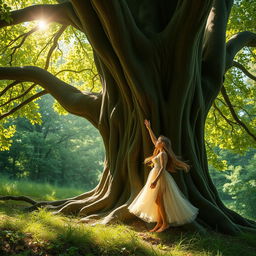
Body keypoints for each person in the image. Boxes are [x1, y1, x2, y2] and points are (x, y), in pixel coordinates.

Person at [128, 120, 199, 232]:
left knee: (159, 200)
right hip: (155, 176)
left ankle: (165, 223)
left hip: (161, 178)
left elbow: (162, 168)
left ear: (163, 144)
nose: (156, 142)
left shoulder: (163, 154)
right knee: (157, 201)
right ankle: (160, 222)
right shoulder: (159, 151)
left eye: (159, 141)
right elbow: (154, 140)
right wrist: (149, 128)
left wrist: (155, 180)